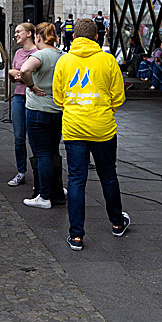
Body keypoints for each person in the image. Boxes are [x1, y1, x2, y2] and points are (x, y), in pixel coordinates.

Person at [52, 18, 129, 251]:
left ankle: (76, 235)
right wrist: (103, 110)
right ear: (98, 37)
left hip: (74, 129)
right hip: (103, 129)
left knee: (76, 180)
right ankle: (117, 223)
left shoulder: (64, 61)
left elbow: (58, 97)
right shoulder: (108, 60)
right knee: (108, 176)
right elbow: (119, 96)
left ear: (73, 37)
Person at [19, 23, 66, 209]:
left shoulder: (39, 55)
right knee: (54, 152)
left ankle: (44, 195)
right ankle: (56, 189)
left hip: (38, 110)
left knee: (42, 154)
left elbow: (24, 70)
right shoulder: (63, 56)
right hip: (57, 110)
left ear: (38, 37)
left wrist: (31, 86)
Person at [7, 22, 37, 186]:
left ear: (29, 34)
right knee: (19, 137)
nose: (16, 34)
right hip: (19, 95)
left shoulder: (38, 52)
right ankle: (21, 172)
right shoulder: (18, 53)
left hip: (33, 96)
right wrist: (13, 73)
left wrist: (22, 75)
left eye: (19, 32)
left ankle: (38, 172)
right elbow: (13, 75)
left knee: (34, 137)